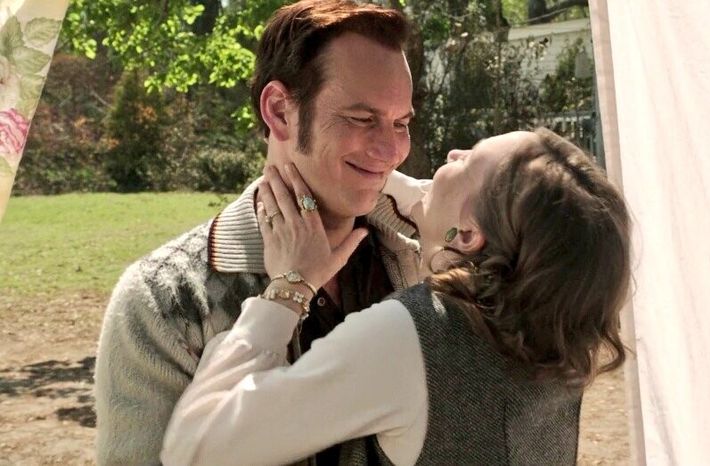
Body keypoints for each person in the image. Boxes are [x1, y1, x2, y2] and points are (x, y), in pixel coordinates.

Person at [160, 128, 632, 466]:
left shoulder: (411, 337)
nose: (451, 152)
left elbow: (197, 449)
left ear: (469, 236)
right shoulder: (555, 338)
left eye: (466, 162)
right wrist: (373, 176)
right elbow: (440, 211)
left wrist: (289, 287)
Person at [94, 1, 422, 464]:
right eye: (362, 119)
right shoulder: (164, 301)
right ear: (280, 111)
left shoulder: (419, 258)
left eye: (401, 123)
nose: (392, 150)